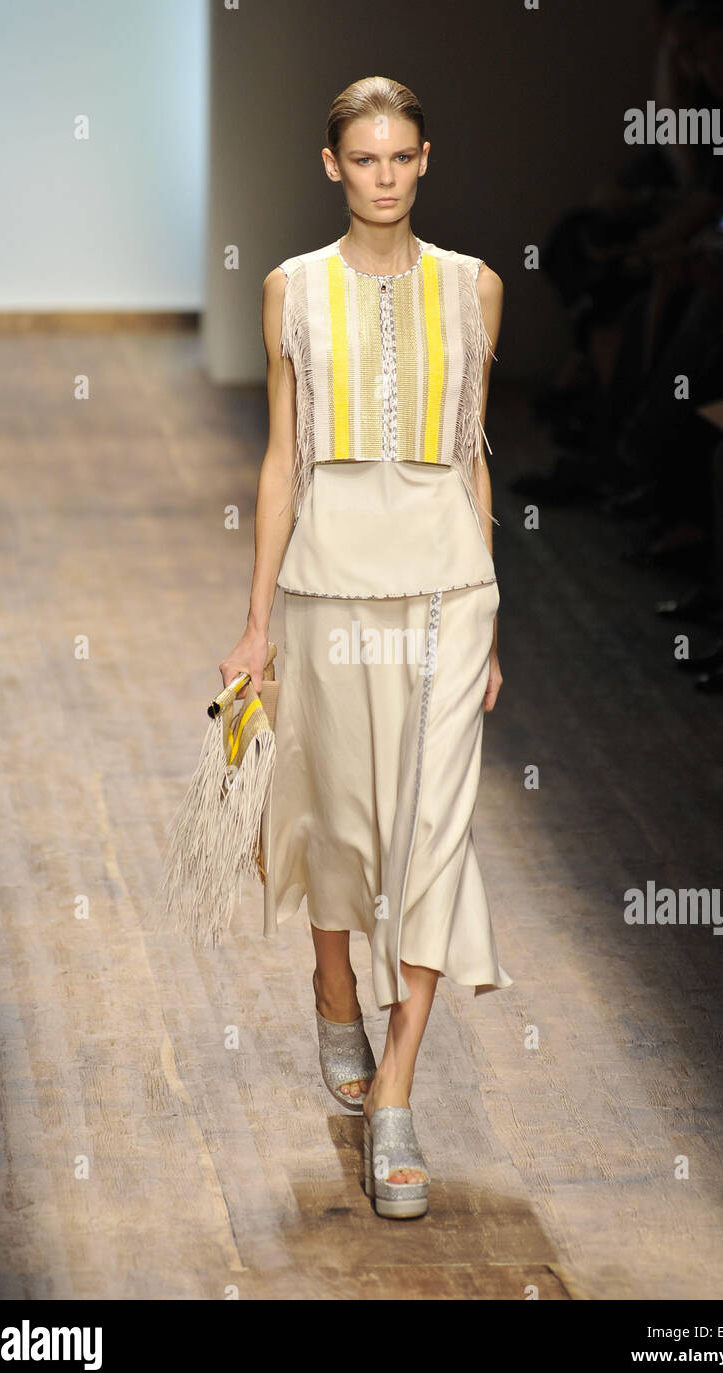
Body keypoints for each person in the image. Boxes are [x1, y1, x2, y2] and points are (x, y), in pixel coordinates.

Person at [219, 76, 512, 1219]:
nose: (385, 176)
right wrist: (255, 625)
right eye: (365, 159)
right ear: (332, 166)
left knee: (432, 832)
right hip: (329, 584)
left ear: (425, 159)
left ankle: (395, 1092)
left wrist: (495, 603)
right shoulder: (289, 290)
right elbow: (282, 461)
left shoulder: (474, 288)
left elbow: (474, 452)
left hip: (448, 585)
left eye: (403, 158)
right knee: (342, 815)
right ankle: (332, 981)